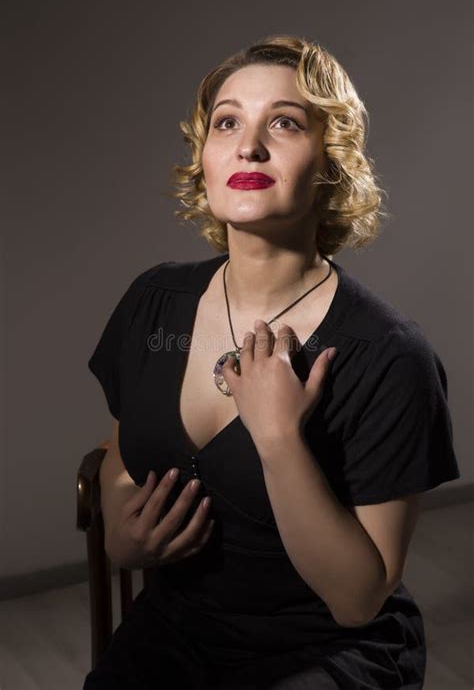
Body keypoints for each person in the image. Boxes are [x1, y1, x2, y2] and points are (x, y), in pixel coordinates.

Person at [83, 34, 461, 689]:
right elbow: (122, 456)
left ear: (331, 162)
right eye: (227, 121)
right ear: (203, 156)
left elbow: (357, 598)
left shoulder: (391, 355)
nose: (248, 145)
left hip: (326, 651)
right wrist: (124, 534)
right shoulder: (155, 303)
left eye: (283, 123)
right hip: (176, 631)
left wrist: (280, 438)